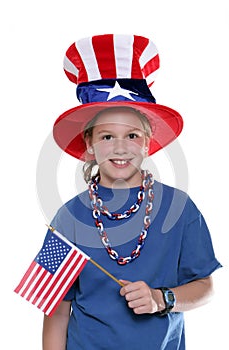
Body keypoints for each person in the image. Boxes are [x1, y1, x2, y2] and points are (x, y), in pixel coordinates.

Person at [42, 34, 221, 350]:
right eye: (107, 136)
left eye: (132, 135)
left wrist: (160, 298)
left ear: (148, 141)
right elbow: (57, 310)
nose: (121, 147)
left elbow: (205, 287)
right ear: (89, 144)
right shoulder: (70, 216)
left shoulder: (179, 208)